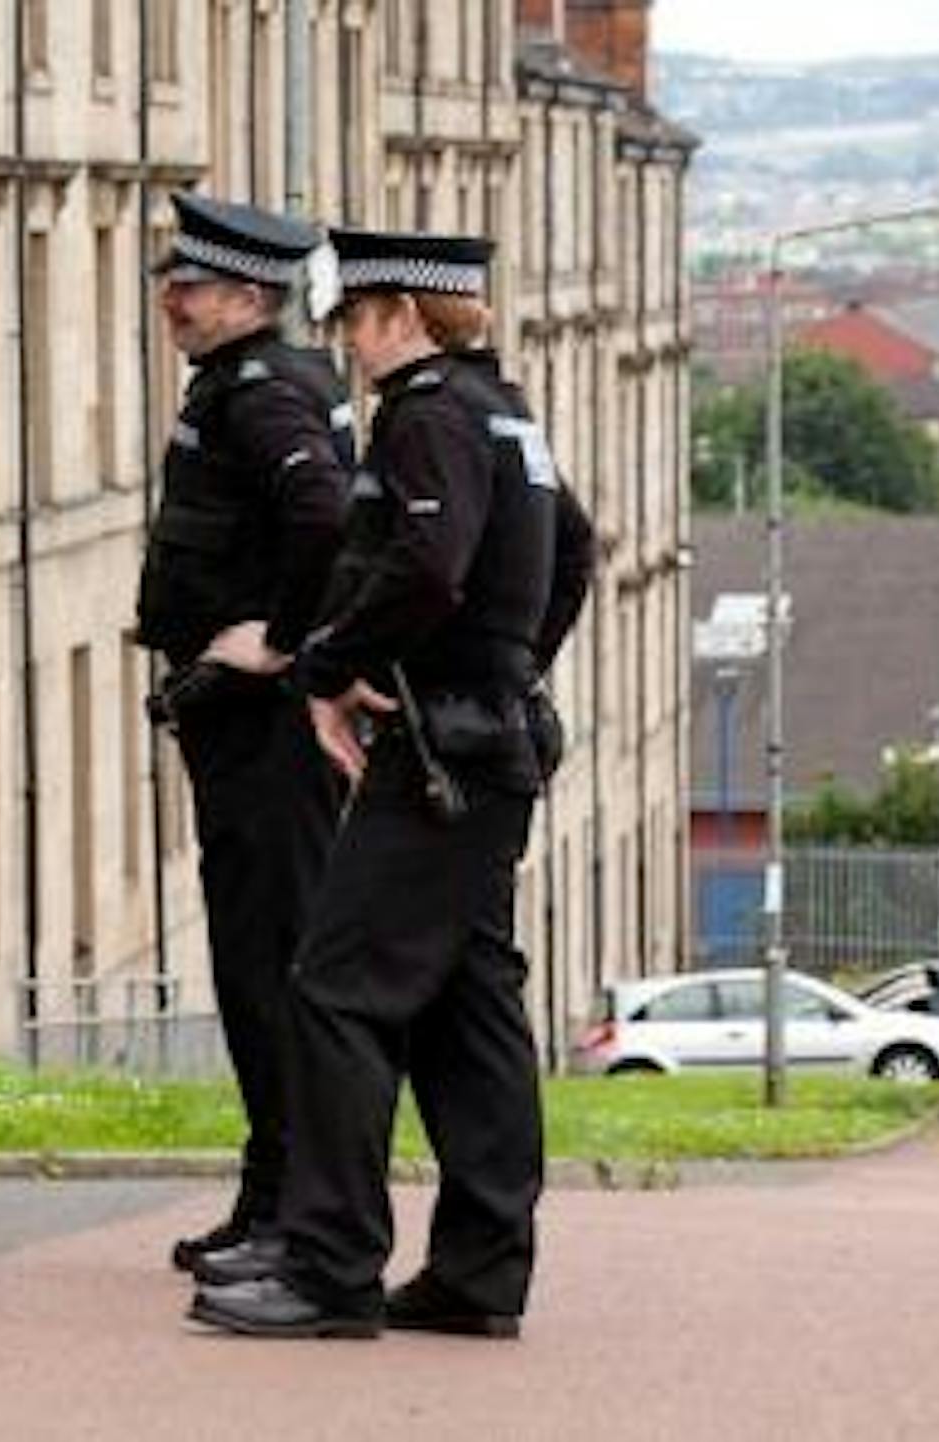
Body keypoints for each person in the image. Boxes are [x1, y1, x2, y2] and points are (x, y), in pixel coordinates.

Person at [188, 228, 595, 1340]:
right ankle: (477, 1269)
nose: (348, 341)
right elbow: (574, 550)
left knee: (333, 986)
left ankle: (328, 1266)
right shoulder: (506, 410)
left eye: (357, 318)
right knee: (468, 1008)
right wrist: (510, 667)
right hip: (487, 741)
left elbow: (425, 565)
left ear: (403, 315)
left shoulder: (428, 418)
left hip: (436, 758)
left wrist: (330, 667)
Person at [135, 192, 354, 1280]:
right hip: (242, 730)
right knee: (254, 963)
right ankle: (271, 1192)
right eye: (172, 281)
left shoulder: (265, 395)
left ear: (251, 296)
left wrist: (281, 636)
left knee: (272, 968)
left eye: (192, 285)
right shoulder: (250, 384)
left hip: (265, 730)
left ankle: (292, 1211)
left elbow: (324, 513)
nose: (170, 298)